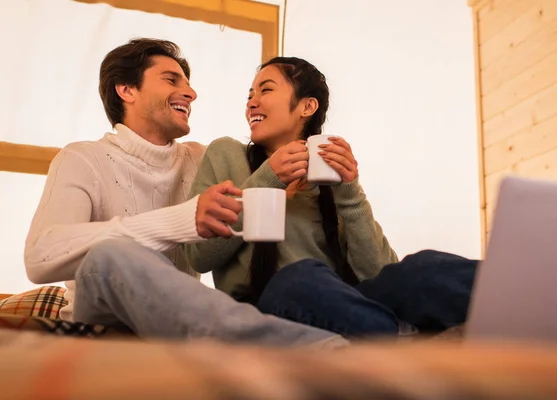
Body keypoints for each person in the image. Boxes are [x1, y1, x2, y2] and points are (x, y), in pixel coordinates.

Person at [23, 39, 348, 349]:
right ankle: (314, 349)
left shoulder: (201, 159)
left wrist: (334, 179)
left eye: (188, 84)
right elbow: (40, 256)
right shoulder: (82, 158)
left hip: (172, 322)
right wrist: (183, 219)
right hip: (103, 313)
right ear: (126, 90)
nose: (190, 93)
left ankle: (326, 335)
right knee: (109, 255)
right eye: (171, 80)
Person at [184, 56, 478, 339]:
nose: (251, 102)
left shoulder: (328, 176)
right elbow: (199, 256)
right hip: (270, 308)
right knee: (300, 279)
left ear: (307, 106)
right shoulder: (226, 153)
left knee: (423, 267)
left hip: (342, 304)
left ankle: (512, 301)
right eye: (250, 95)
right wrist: (267, 179)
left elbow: (377, 273)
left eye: (266, 89)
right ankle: (399, 340)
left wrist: (349, 192)